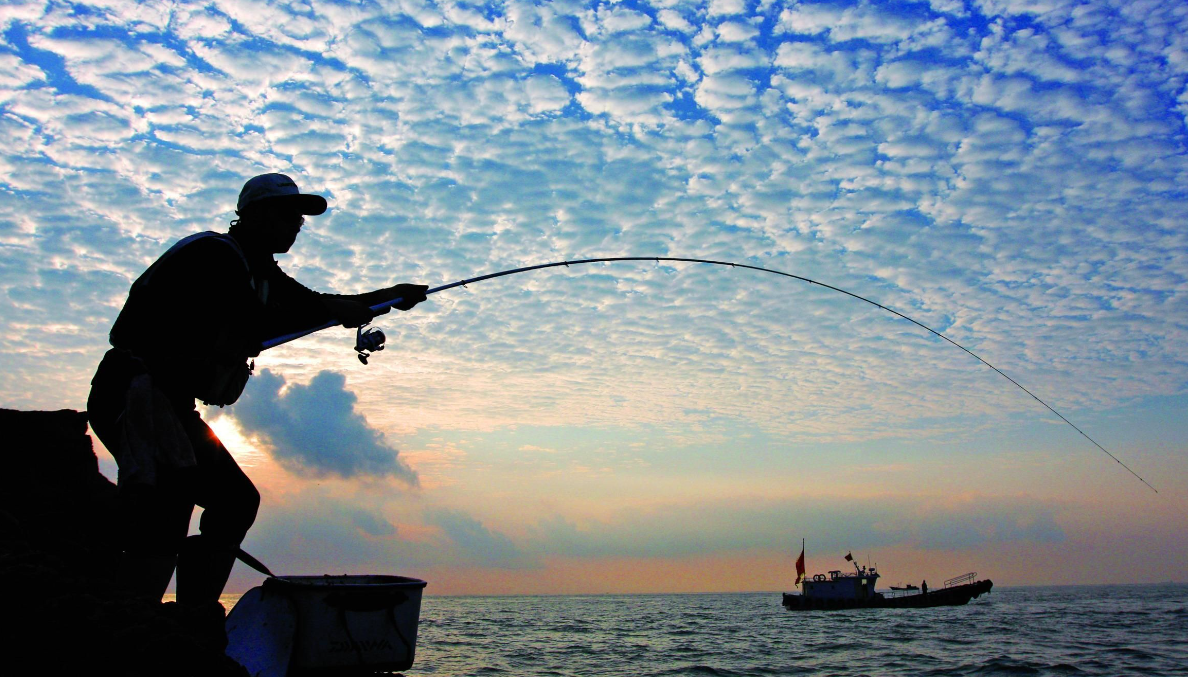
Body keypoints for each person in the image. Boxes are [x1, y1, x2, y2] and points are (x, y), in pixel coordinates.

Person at [87, 173, 427, 612]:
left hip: (170, 402)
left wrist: (390, 297)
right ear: (257, 214)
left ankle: (193, 614)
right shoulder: (212, 254)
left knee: (234, 501)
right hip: (135, 391)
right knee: (168, 503)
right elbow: (257, 319)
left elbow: (310, 304)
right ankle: (133, 620)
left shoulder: (257, 268)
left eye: (300, 217)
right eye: (290, 214)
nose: (298, 225)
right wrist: (333, 309)